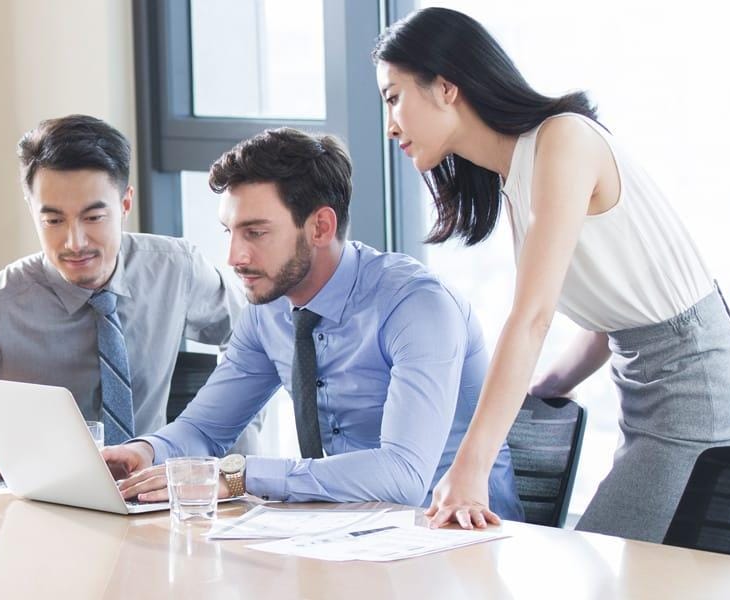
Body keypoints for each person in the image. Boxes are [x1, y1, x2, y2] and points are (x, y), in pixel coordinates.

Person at [374, 8, 730, 540]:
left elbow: (532, 318)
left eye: (393, 97)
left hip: (697, 394)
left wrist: (470, 468)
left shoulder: (562, 140)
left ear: (445, 86)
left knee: (609, 568)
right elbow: (611, 318)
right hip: (652, 393)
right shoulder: (516, 178)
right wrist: (545, 386)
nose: (389, 124)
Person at [102, 127, 522, 522]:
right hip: (346, 535)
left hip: (459, 538)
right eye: (229, 231)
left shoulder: (416, 306)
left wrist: (240, 476)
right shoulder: (267, 312)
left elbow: (403, 476)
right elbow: (205, 429)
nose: (234, 257)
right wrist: (147, 451)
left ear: (321, 226)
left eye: (255, 232)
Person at [0, 115, 248, 474]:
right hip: (48, 506)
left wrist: (227, 452)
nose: (75, 242)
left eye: (93, 217)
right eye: (53, 221)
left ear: (125, 204)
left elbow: (250, 336)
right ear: (32, 210)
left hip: (158, 495)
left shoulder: (174, 269)